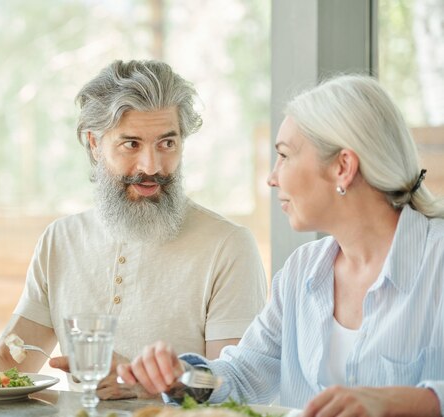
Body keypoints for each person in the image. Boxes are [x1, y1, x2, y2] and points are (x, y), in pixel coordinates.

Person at [0, 59, 267, 399]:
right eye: (132, 144)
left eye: (167, 143)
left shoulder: (229, 246)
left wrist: (150, 387)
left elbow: (232, 386)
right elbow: (7, 371)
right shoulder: (60, 240)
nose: (152, 165)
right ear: (95, 144)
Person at [118, 74, 444, 416]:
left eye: (285, 156)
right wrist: (183, 378)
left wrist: (411, 402)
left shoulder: (436, 261)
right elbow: (245, 374)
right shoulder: (303, 270)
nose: (272, 178)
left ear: (343, 167)